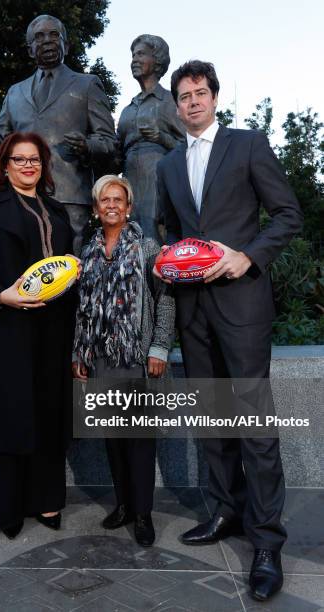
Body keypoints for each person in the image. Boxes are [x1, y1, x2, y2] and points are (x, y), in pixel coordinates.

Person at [155, 60, 303, 601]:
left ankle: (266, 542)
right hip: (194, 313)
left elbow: (288, 215)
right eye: (185, 95)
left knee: (255, 427)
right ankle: (225, 513)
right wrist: (166, 261)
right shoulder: (171, 165)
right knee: (213, 420)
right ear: (176, 106)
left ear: (215, 98)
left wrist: (249, 256)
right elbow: (173, 232)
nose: (193, 101)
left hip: (242, 307)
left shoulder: (247, 144)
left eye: (201, 92)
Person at [0, 131, 79, 540]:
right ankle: (7, 508)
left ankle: (46, 500)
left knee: (48, 411)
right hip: (6, 327)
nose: (28, 165)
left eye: (35, 160)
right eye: (19, 159)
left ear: (43, 166)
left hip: (52, 328)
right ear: (5, 164)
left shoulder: (56, 209)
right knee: (11, 415)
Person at [0, 14, 116, 254]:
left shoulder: (87, 84)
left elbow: (109, 142)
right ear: (30, 49)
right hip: (23, 196)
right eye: (39, 36)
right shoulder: (15, 93)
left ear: (66, 43)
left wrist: (87, 146)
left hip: (69, 196)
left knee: (71, 272)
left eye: (54, 35)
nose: (47, 40)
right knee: (29, 274)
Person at [72, 175, 175, 546]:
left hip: (137, 358)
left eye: (118, 199)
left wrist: (159, 347)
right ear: (97, 209)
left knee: (139, 439)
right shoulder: (87, 251)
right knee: (113, 438)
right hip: (101, 358)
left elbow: (165, 298)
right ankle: (124, 506)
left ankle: (143, 513)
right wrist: (79, 353)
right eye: (104, 200)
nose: (111, 205)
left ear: (129, 207)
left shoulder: (147, 247)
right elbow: (82, 309)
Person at [117, 34, 183, 243]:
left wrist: (161, 137)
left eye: (141, 54)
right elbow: (116, 154)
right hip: (128, 180)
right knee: (128, 235)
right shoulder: (128, 109)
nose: (134, 60)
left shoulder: (170, 101)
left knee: (153, 236)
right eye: (133, 55)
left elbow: (191, 148)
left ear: (158, 61)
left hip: (157, 180)